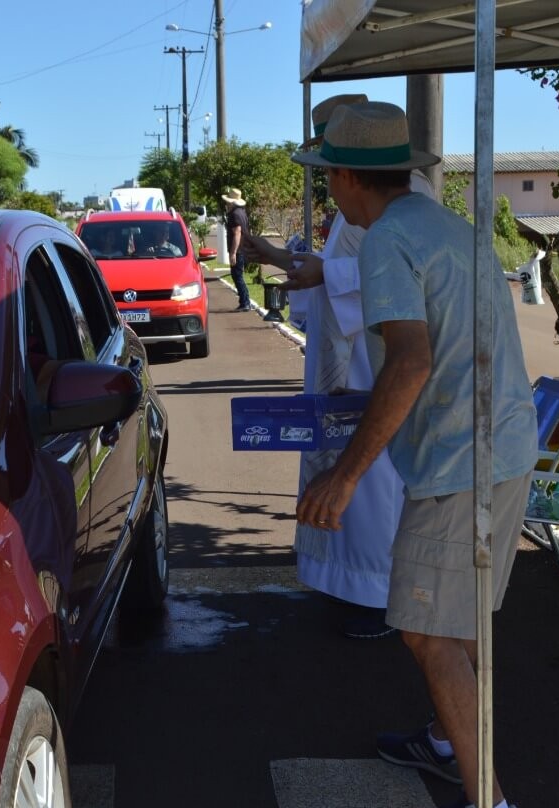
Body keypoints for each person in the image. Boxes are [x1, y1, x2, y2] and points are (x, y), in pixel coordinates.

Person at [292, 101, 537, 808]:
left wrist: (344, 475)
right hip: (503, 448)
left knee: (427, 632)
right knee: (458, 627)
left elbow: (411, 360)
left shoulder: (386, 240)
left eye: (325, 173)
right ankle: (445, 739)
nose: (326, 187)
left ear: (343, 176)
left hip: (459, 464)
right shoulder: (444, 226)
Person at [244, 93, 419, 641]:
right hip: (353, 355)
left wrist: (329, 277)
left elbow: (389, 278)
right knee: (352, 480)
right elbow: (342, 268)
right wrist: (283, 261)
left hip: (376, 366)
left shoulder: (406, 211)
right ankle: (352, 587)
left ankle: (378, 596)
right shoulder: (363, 209)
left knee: (374, 485)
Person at [222, 187, 252, 311]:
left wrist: (233, 252)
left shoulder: (234, 214)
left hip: (238, 250)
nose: (227, 204)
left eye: (228, 202)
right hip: (243, 248)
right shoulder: (242, 212)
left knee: (237, 275)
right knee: (237, 275)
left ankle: (245, 302)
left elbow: (237, 233)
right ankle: (244, 301)